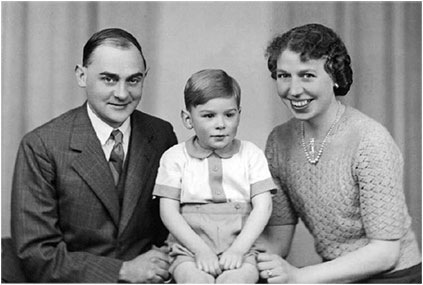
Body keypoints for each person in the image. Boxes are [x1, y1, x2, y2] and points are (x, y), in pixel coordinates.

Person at [256, 23, 422, 283]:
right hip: (336, 276)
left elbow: (386, 253)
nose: (293, 89)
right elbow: (278, 239)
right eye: (283, 75)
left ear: (335, 76)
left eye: (307, 75)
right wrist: (223, 255)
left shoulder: (369, 140)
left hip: (396, 276)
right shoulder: (278, 142)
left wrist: (299, 276)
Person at [10, 28, 177, 283]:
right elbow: (37, 255)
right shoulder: (41, 145)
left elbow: (171, 225)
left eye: (133, 80)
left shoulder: (161, 135)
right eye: (109, 79)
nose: (122, 93)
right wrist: (122, 271)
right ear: (81, 75)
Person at [153, 69, 276, 283]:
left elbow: (263, 206)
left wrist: (238, 250)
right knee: (194, 280)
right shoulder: (174, 157)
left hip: (241, 245)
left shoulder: (251, 154)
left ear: (239, 113)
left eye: (229, 115)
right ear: (188, 119)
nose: (221, 124)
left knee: (237, 281)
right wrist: (200, 250)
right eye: (209, 116)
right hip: (189, 247)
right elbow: (168, 211)